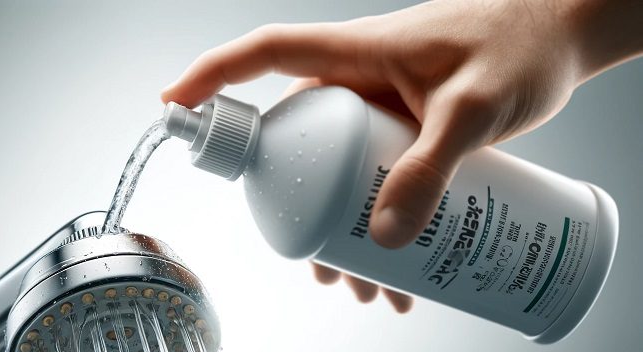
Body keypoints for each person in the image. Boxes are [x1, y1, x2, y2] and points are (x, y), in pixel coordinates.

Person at [161, 0, 643, 313]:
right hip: (568, 248)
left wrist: (551, 25)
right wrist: (561, 27)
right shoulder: (284, 190)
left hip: (570, 253)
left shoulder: (298, 169)